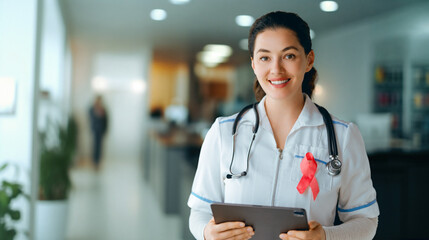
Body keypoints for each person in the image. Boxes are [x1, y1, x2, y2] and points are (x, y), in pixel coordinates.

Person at [188, 11, 379, 240]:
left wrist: (326, 237)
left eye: (288, 56)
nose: (276, 69)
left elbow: (366, 222)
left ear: (308, 60)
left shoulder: (343, 136)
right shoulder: (224, 132)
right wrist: (206, 232)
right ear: (253, 64)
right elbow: (199, 211)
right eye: (265, 57)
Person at [89, 95, 108, 170]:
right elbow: (91, 117)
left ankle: (98, 162)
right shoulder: (92, 108)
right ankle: (94, 162)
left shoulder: (103, 109)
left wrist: (105, 129)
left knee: (99, 147)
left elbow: (106, 120)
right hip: (95, 130)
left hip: (101, 130)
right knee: (94, 146)